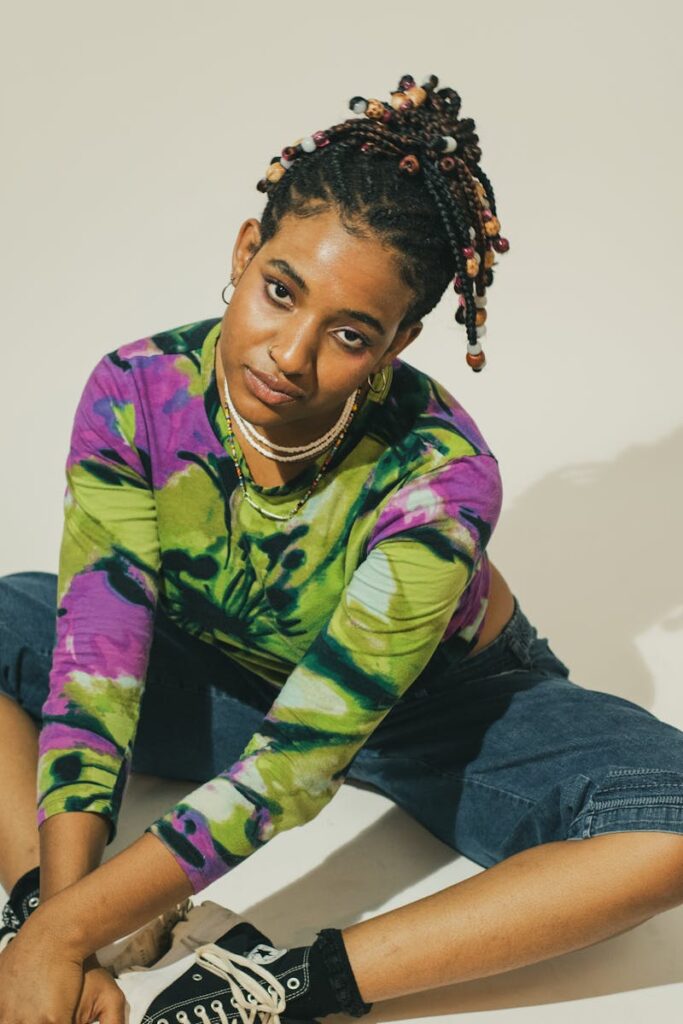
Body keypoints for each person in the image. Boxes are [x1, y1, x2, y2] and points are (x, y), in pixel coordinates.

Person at [1, 70, 683, 1024]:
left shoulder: (442, 478)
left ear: (398, 342)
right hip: (223, 674)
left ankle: (280, 986)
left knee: (677, 820)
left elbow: (297, 766)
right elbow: (99, 669)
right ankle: (61, 907)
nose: (290, 353)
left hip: (437, 708)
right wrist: (61, 928)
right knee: (12, 618)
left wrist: (52, 949)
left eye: (350, 333)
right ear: (245, 254)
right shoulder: (135, 389)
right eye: (280, 291)